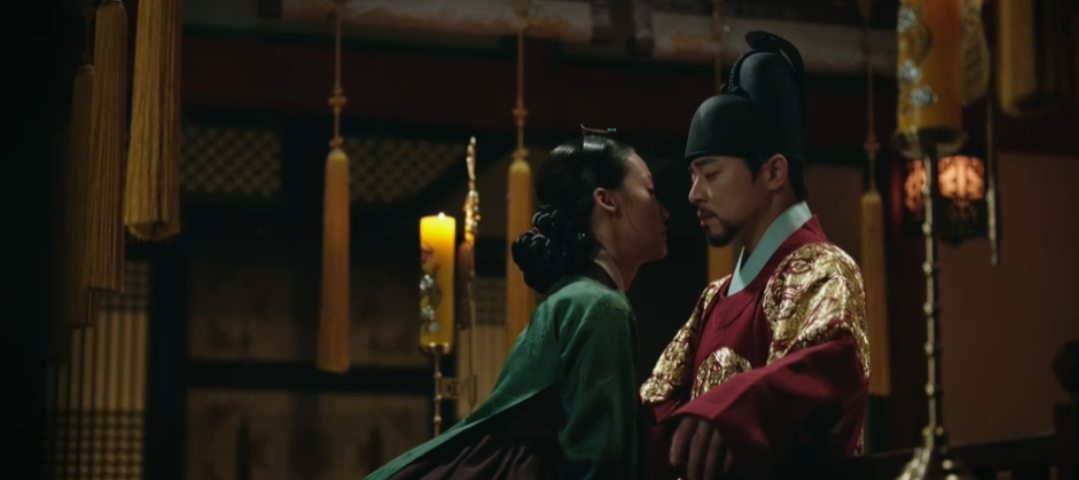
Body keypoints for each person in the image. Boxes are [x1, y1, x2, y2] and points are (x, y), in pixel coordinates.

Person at [365, 127, 669, 480]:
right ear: (607, 200)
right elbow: (599, 463)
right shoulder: (600, 306)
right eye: (650, 191)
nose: (664, 212)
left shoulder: (573, 296)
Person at [639, 31, 871, 480]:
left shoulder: (823, 270)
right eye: (692, 176)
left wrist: (734, 412)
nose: (694, 194)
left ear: (774, 171)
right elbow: (657, 403)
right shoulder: (714, 298)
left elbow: (830, 367)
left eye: (710, 174)